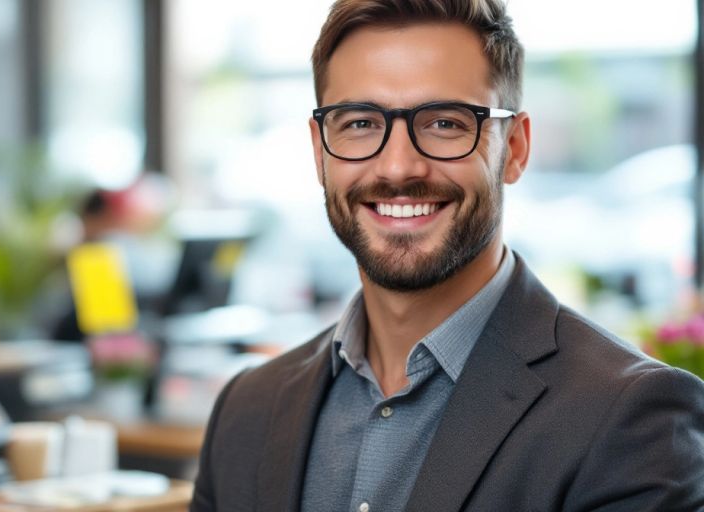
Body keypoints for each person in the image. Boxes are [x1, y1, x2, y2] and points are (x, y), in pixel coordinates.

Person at [190, 1, 704, 510]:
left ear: (516, 148)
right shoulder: (245, 411)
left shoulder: (630, 418)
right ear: (320, 150)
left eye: (444, 123)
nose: (397, 167)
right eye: (360, 123)